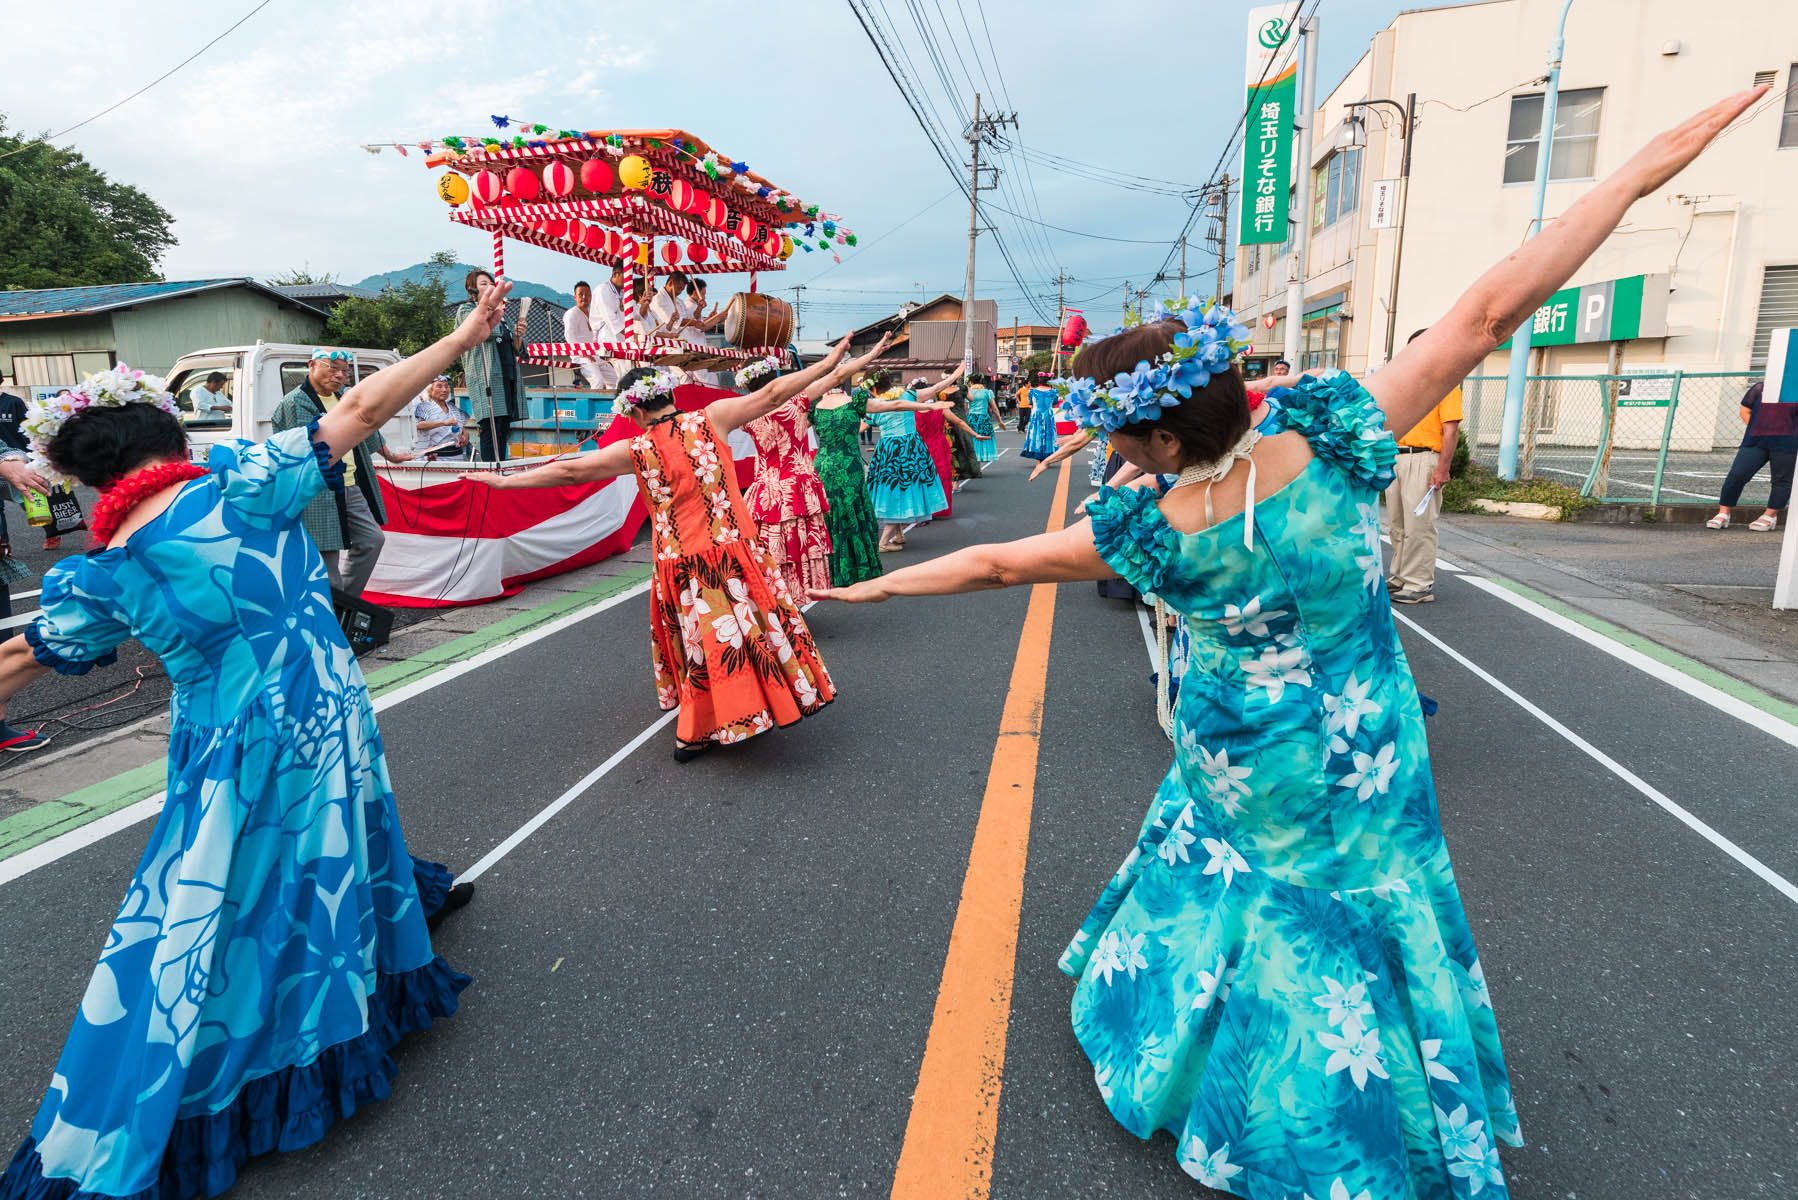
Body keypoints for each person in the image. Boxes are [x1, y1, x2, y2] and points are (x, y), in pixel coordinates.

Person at [811, 90, 1760, 1198]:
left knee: (1236, 893)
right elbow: (1489, 311)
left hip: (1234, 751)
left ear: (1164, 435)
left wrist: (868, 591)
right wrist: (1636, 170)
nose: (1114, 452)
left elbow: (989, 566)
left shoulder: (1148, 529)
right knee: (1364, 911)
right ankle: (1363, 1122)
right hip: (1367, 742)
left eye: (1119, 436)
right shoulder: (1339, 430)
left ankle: (1227, 1086)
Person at [0, 288, 513, 1199]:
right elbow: (362, 407)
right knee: (311, 857)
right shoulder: (241, 480)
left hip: (232, 746)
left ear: (90, 473)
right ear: (166, 432)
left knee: (224, 895)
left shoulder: (111, 566)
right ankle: (293, 1034)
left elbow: (22, 659)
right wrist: (464, 336)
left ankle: (234, 1036)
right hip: (325, 711)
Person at [470, 334, 891, 760]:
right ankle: (762, 704)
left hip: (682, 562)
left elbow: (569, 472)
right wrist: (831, 361)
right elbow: (774, 392)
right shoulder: (713, 419)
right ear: (669, 394)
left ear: (633, 409)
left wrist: (505, 482)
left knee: (704, 648)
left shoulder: (635, 448)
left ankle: (702, 727)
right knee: (754, 630)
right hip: (734, 550)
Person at [271, 349, 414, 599]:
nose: (339, 376)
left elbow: (366, 426)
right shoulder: (296, 402)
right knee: (328, 561)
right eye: (332, 368)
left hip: (350, 483)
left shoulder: (342, 397)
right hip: (318, 489)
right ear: (312, 365)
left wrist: (390, 455)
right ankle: (333, 616)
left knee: (372, 540)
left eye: (344, 371)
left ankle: (344, 604)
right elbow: (301, 448)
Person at [813, 382, 948, 587]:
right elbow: (896, 406)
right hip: (857, 463)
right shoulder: (856, 403)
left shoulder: (814, 406)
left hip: (823, 464)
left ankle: (827, 567)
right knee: (854, 510)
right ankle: (858, 562)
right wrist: (928, 406)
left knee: (829, 513)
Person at [742, 354, 834, 599]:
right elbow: (835, 374)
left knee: (769, 548)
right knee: (798, 546)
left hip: (765, 488)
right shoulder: (798, 401)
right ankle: (797, 597)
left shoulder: (746, 411)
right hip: (798, 486)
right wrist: (870, 353)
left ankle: (771, 598)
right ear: (776, 376)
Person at [1385, 327, 1464, 604]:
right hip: (1396, 457)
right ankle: (1399, 577)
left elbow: (1450, 431)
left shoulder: (1446, 385)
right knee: (1397, 524)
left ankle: (1419, 583)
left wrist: (1442, 468)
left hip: (1424, 458)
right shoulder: (1405, 383)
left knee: (1420, 525)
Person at [455, 268, 527, 459]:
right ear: (472, 290)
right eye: (483, 284)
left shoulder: (501, 314)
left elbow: (517, 348)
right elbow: (484, 331)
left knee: (503, 426)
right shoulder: (467, 311)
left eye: (491, 283)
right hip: (485, 377)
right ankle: (490, 470)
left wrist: (518, 334)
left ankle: (499, 468)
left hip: (506, 375)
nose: (490, 287)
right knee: (490, 426)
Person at [1707, 378, 1795, 531]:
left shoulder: (1795, 392)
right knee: (1737, 475)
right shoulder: (1761, 388)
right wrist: (1759, 428)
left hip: (1788, 443)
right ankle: (1723, 513)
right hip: (1755, 441)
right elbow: (1744, 410)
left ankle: (1770, 515)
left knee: (1781, 480)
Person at [563, 279, 618, 390]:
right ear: (575, 297)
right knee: (597, 380)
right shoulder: (571, 314)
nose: (584, 297)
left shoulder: (592, 313)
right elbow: (570, 336)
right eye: (580, 294)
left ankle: (613, 405)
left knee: (614, 378)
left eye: (587, 294)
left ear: (591, 297)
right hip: (580, 356)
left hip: (595, 354)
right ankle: (594, 407)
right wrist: (583, 352)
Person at [411, 375, 471, 460]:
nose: (444, 390)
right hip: (436, 457)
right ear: (430, 391)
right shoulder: (424, 407)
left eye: (446, 387)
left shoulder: (453, 408)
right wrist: (444, 423)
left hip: (458, 455)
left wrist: (465, 433)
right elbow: (418, 425)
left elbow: (461, 425)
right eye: (439, 386)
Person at [1021, 374, 1059, 461]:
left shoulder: (1032, 391)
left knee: (1036, 433)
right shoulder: (1054, 392)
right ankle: (1048, 453)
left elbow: (1030, 403)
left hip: (1036, 415)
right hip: (1048, 415)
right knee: (1048, 433)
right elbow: (1054, 404)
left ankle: (1037, 452)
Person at [965, 374, 1001, 466]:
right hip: (984, 418)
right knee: (984, 438)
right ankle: (980, 461)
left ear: (970, 382)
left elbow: (965, 408)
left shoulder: (968, 392)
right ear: (981, 381)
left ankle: (974, 463)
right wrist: (1000, 420)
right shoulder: (987, 392)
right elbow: (994, 408)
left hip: (972, 417)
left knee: (972, 438)